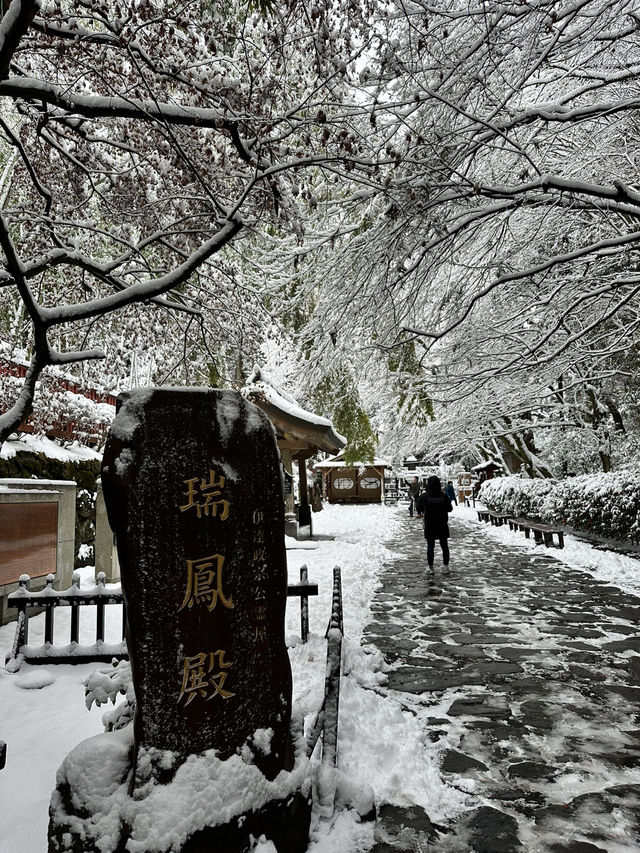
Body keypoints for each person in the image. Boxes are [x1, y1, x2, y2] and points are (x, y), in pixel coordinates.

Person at [416, 475, 453, 568]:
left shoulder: (424, 497)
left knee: (430, 546)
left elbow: (418, 508)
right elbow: (450, 509)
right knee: (444, 545)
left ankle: (430, 567)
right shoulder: (444, 496)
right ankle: (445, 566)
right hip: (442, 523)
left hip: (430, 524)